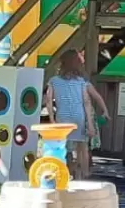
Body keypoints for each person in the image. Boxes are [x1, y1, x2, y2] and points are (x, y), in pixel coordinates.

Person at [45, 49, 109, 179]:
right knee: (82, 147)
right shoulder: (81, 82)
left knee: (65, 147)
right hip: (79, 117)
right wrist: (90, 124)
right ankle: (83, 174)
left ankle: (66, 173)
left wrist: (52, 119)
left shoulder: (53, 81)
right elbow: (87, 102)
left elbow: (48, 100)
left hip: (63, 117)